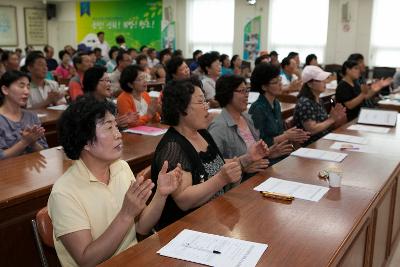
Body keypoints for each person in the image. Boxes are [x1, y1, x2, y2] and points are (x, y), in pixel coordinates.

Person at [48, 95, 182, 267]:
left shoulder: (121, 168)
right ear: (86, 142)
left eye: (117, 127)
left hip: (132, 259)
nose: (118, 135)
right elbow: (87, 259)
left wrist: (161, 195)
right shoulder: (64, 193)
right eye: (108, 128)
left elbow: (141, 227)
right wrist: (125, 215)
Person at [151, 77, 269, 230]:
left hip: (214, 214)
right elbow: (183, 200)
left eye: (205, 100)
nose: (207, 106)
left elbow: (215, 165)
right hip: (185, 228)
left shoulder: (201, 133)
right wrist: (221, 179)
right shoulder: (173, 147)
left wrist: (247, 159)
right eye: (201, 102)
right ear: (181, 108)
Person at [209, 75, 293, 178]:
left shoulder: (247, 117)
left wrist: (269, 153)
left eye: (247, 90)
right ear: (227, 93)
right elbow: (212, 166)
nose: (247, 95)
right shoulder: (218, 127)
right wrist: (242, 168)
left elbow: (254, 155)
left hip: (260, 174)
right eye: (242, 91)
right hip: (241, 183)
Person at [249, 63, 310, 163]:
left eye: (280, 80)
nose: (280, 84)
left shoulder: (276, 103)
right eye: (275, 82)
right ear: (264, 87)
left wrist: (292, 135)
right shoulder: (257, 109)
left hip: (282, 155)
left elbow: (278, 133)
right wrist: (286, 136)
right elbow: (259, 143)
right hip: (268, 159)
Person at [0, 71, 48, 159]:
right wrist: (24, 142)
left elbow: (44, 149)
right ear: (5, 90)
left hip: (32, 169)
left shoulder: (32, 116)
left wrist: (33, 142)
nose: (27, 92)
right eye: (21, 86)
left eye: (28, 87)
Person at [293, 66, 346, 145]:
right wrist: (331, 119)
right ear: (310, 84)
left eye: (324, 79)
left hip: (322, 141)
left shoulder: (318, 100)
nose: (324, 82)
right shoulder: (305, 102)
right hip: (312, 145)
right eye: (320, 80)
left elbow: (323, 124)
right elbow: (311, 130)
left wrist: (337, 119)